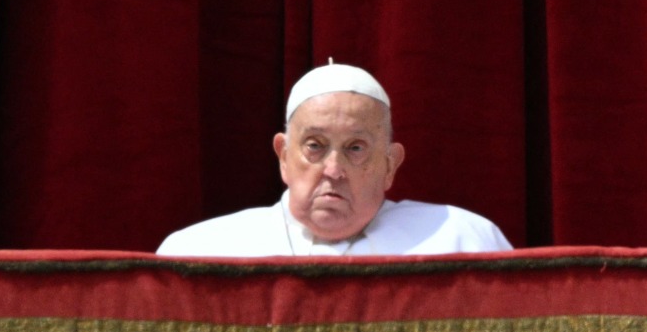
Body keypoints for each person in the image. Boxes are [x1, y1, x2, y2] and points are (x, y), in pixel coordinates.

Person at [156, 62, 512, 256]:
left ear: (390, 164)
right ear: (283, 156)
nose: (333, 170)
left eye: (355, 148)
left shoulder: (462, 241)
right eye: (315, 145)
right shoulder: (201, 252)